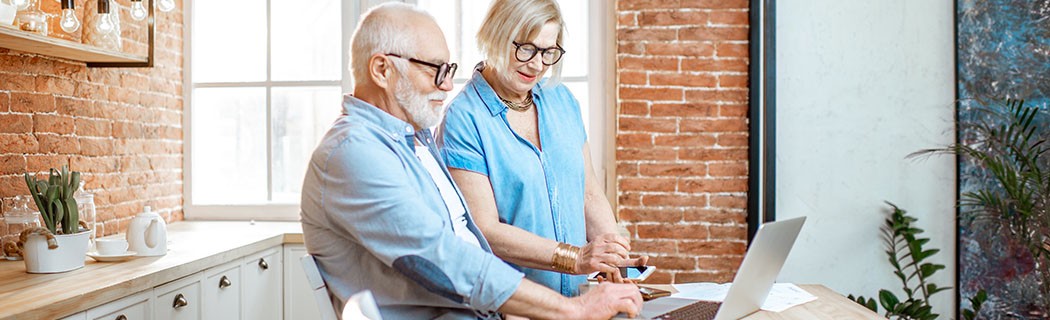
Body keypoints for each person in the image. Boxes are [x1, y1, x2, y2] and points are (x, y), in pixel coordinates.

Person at [300, 3, 642, 319]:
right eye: (436, 70)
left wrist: (611, 263)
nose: (449, 85)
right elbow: (445, 257)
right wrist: (572, 308)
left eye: (449, 70)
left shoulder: (412, 141)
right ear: (382, 69)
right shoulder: (355, 152)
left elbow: (465, 243)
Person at [437, 0, 647, 297]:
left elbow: (588, 194)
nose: (537, 65)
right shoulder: (464, 118)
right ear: (496, 35)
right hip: (514, 305)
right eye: (526, 49)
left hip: (578, 301)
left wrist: (614, 259)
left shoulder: (561, 99)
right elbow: (484, 229)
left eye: (549, 52)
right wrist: (574, 257)